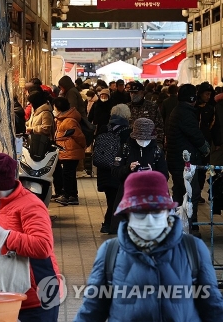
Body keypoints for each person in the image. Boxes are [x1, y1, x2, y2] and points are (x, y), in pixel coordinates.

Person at [74, 171, 223, 322]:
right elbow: (91, 311)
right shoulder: (110, 252)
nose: (149, 220)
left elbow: (213, 308)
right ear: (128, 214)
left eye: (156, 211)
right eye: (140, 212)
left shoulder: (193, 249)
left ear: (168, 212)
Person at [0, 152, 61, 322]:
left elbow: (43, 246)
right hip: (4, 295)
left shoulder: (31, 205)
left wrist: (6, 236)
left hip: (37, 298)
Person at [110, 118, 168, 234]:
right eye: (140, 139)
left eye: (146, 139)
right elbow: (115, 172)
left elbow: (165, 176)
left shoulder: (156, 151)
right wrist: (128, 168)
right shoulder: (126, 149)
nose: (143, 142)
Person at [165, 84, 209, 237]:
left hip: (176, 159)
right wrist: (205, 147)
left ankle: (178, 224)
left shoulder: (179, 110)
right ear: (192, 98)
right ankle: (188, 225)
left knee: (180, 190)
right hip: (184, 161)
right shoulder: (185, 113)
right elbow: (195, 135)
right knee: (191, 193)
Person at [95, 104, 132, 234]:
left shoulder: (104, 128)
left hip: (103, 169)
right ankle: (109, 224)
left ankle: (110, 224)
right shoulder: (127, 131)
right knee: (115, 200)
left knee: (110, 198)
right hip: (117, 170)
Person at [52, 97, 86, 206]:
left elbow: (79, 137)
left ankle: (66, 196)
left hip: (70, 151)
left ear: (58, 107)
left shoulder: (69, 120)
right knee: (70, 174)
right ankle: (72, 196)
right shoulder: (63, 119)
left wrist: (83, 146)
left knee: (67, 174)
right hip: (68, 151)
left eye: (54, 107)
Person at [126, 81, 165, 146]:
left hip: (148, 143)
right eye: (131, 92)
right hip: (131, 144)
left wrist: (158, 143)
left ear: (142, 93)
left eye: (136, 92)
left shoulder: (152, 107)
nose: (133, 95)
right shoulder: (126, 108)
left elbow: (159, 126)